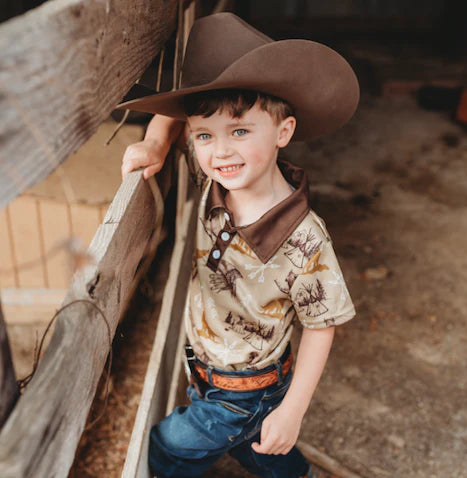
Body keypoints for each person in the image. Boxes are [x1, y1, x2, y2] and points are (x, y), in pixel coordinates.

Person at [118, 12, 359, 478]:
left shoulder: (304, 238)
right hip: (204, 370)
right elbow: (178, 123)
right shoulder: (216, 172)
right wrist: (154, 144)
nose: (221, 150)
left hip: (246, 388)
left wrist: (292, 410)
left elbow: (322, 326)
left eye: (241, 131)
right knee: (261, 448)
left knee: (166, 450)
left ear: (283, 133)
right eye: (206, 136)